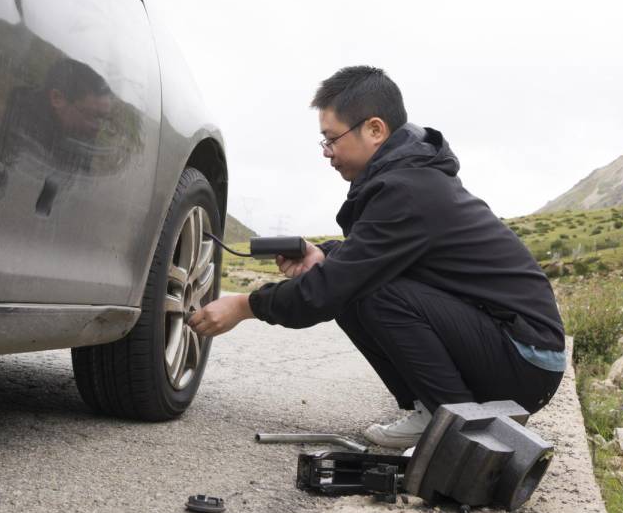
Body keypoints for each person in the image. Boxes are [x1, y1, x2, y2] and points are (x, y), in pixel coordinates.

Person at [188, 66, 566, 448]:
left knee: (366, 292)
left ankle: (454, 427)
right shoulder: (408, 180)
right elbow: (367, 256)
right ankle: (432, 409)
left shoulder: (409, 189)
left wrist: (245, 305)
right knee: (355, 286)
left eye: (331, 139)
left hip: (527, 362)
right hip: (515, 353)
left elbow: (333, 287)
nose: (326, 153)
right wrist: (324, 256)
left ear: (374, 130)